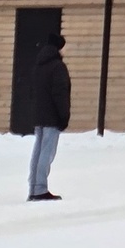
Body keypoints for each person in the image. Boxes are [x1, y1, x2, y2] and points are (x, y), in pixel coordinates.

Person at [28, 33, 71, 201]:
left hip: (39, 114)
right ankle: (40, 189)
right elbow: (60, 94)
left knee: (38, 152)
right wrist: (64, 116)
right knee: (47, 152)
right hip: (52, 116)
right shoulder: (57, 67)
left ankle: (34, 187)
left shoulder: (39, 65)